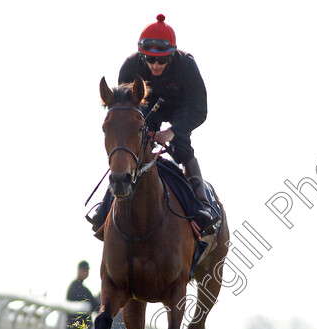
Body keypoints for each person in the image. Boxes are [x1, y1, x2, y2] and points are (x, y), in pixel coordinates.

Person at [87, 14, 220, 236]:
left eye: (162, 60)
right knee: (135, 144)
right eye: (149, 59)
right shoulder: (130, 67)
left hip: (182, 108)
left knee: (182, 148)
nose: (155, 65)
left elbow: (199, 109)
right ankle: (106, 205)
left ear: (172, 55)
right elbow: (125, 111)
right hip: (146, 108)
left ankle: (202, 205)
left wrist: (172, 132)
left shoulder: (186, 65)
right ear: (142, 56)